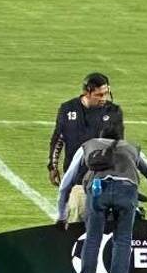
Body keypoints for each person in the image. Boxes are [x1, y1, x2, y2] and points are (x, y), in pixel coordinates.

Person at [56, 124, 147, 273]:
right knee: (123, 241)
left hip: (98, 190)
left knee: (92, 239)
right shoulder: (132, 148)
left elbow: (66, 183)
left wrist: (61, 215)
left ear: (100, 135)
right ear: (121, 137)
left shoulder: (89, 145)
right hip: (126, 192)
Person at [47, 72, 125, 222]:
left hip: (104, 180)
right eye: (99, 95)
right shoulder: (67, 109)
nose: (104, 98)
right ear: (86, 92)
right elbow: (58, 139)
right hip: (77, 180)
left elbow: (119, 146)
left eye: (106, 93)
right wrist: (53, 166)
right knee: (78, 221)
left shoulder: (113, 112)